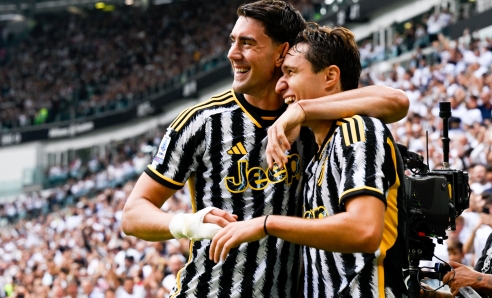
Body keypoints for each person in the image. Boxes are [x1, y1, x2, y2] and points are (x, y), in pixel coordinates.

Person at [122, 1, 409, 297]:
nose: (233, 53)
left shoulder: (317, 127)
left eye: (247, 43)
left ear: (281, 53)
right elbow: (133, 214)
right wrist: (189, 223)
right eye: (233, 41)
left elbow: (396, 101)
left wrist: (300, 112)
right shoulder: (202, 122)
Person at [209, 23, 408, 297]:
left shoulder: (356, 131)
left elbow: (364, 231)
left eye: (290, 72)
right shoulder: (315, 152)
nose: (280, 85)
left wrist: (267, 224)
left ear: (330, 77)